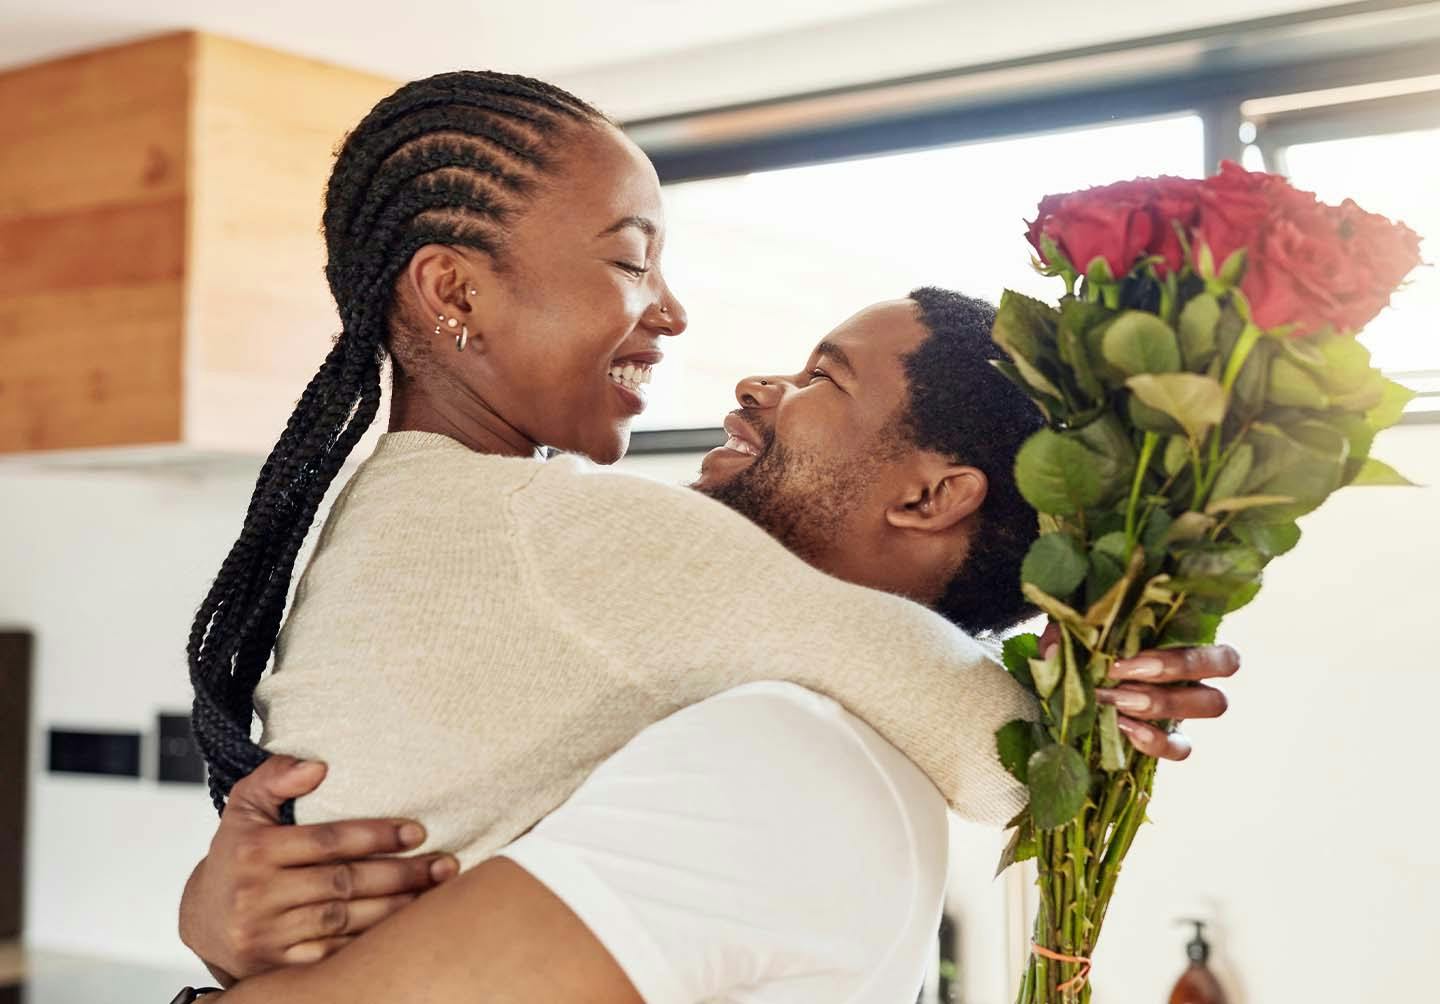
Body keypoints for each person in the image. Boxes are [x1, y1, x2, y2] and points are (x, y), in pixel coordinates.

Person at [179, 289, 1237, 1003]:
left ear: (927, 495)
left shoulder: (788, 753)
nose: (755, 387)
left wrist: (210, 964)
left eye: (822, 377)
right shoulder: (743, 721)